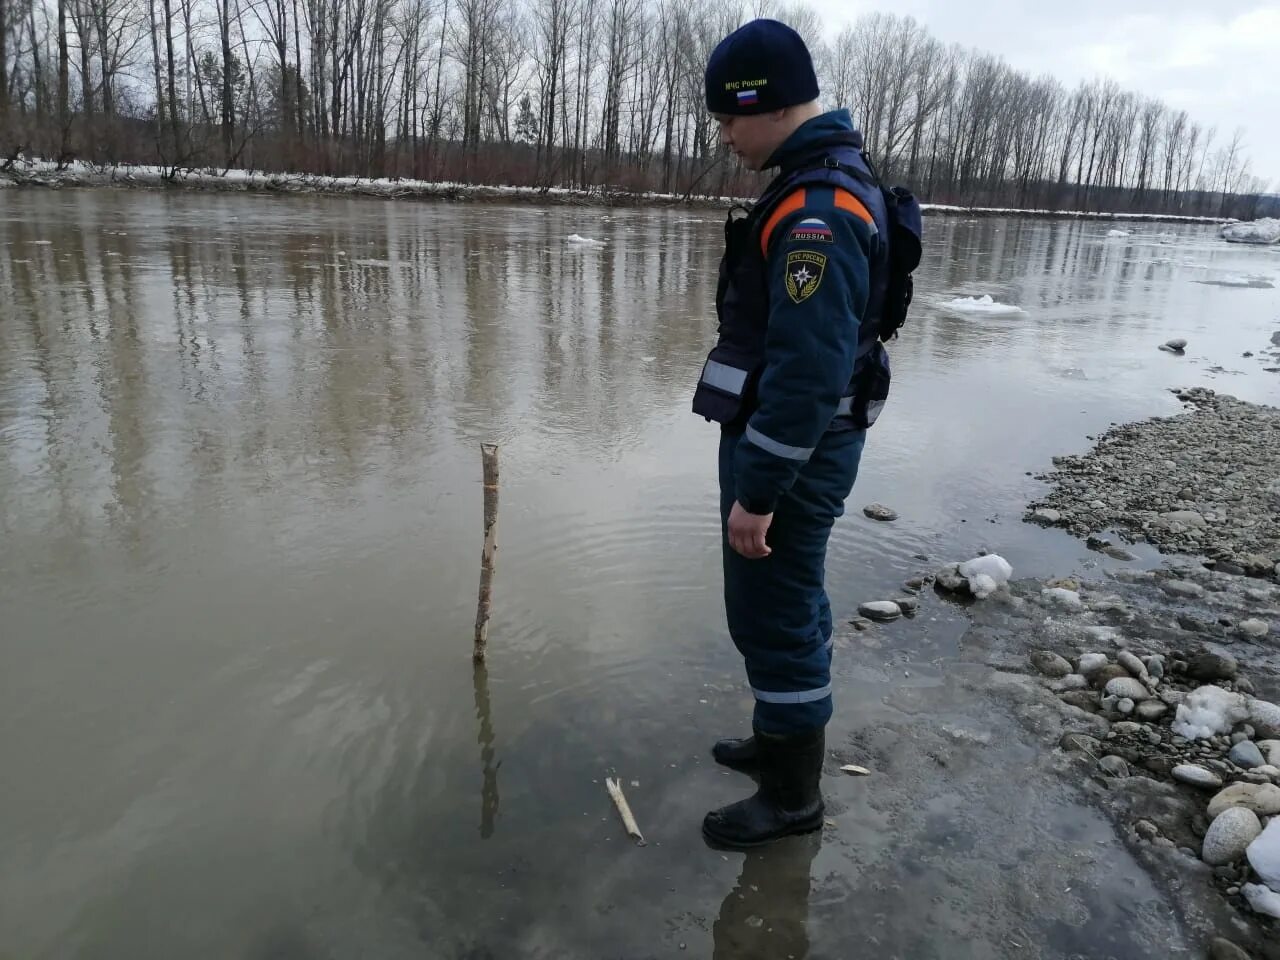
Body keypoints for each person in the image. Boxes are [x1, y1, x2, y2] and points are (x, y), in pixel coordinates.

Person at [691, 18, 902, 849]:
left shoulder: (817, 209)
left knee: (773, 612)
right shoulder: (822, 180)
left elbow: (810, 374)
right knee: (786, 601)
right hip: (798, 446)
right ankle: (776, 742)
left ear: (765, 105)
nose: (724, 134)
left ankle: (791, 800)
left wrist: (757, 494)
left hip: (793, 455)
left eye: (727, 117)